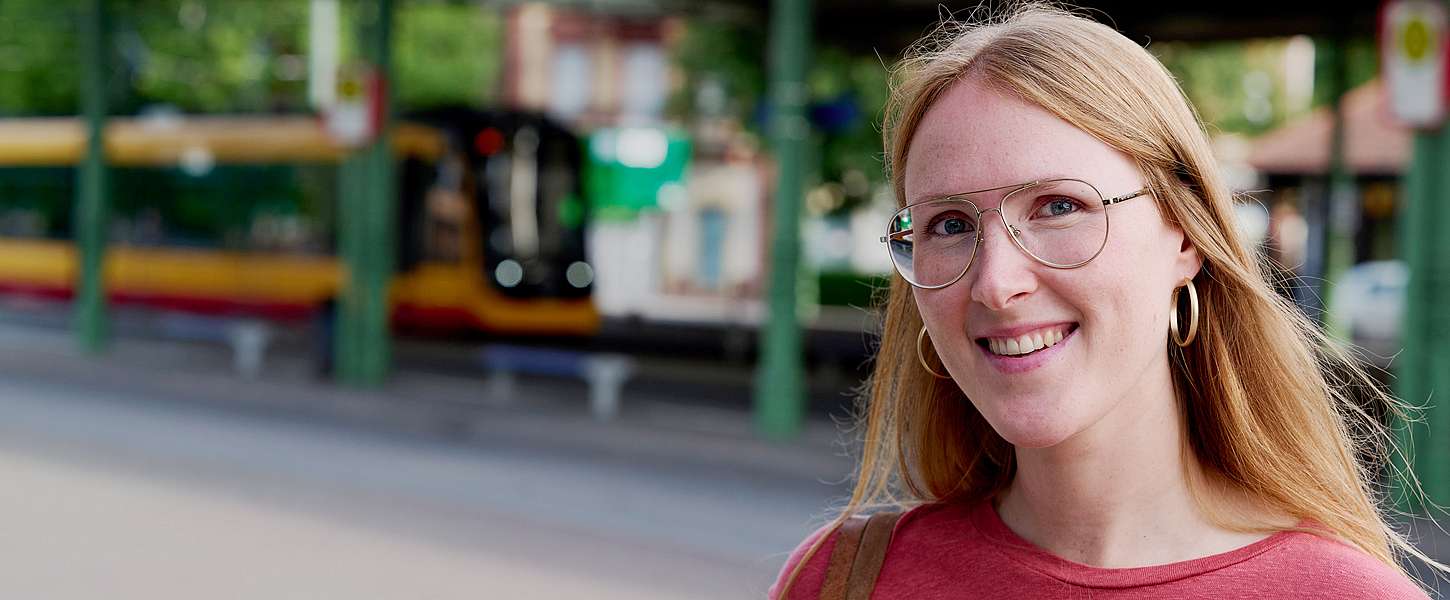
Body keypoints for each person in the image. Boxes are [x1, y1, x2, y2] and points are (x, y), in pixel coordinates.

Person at [770, 4, 1439, 599]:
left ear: (1186, 236)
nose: (997, 283)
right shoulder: (841, 579)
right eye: (949, 224)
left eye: (1060, 206)